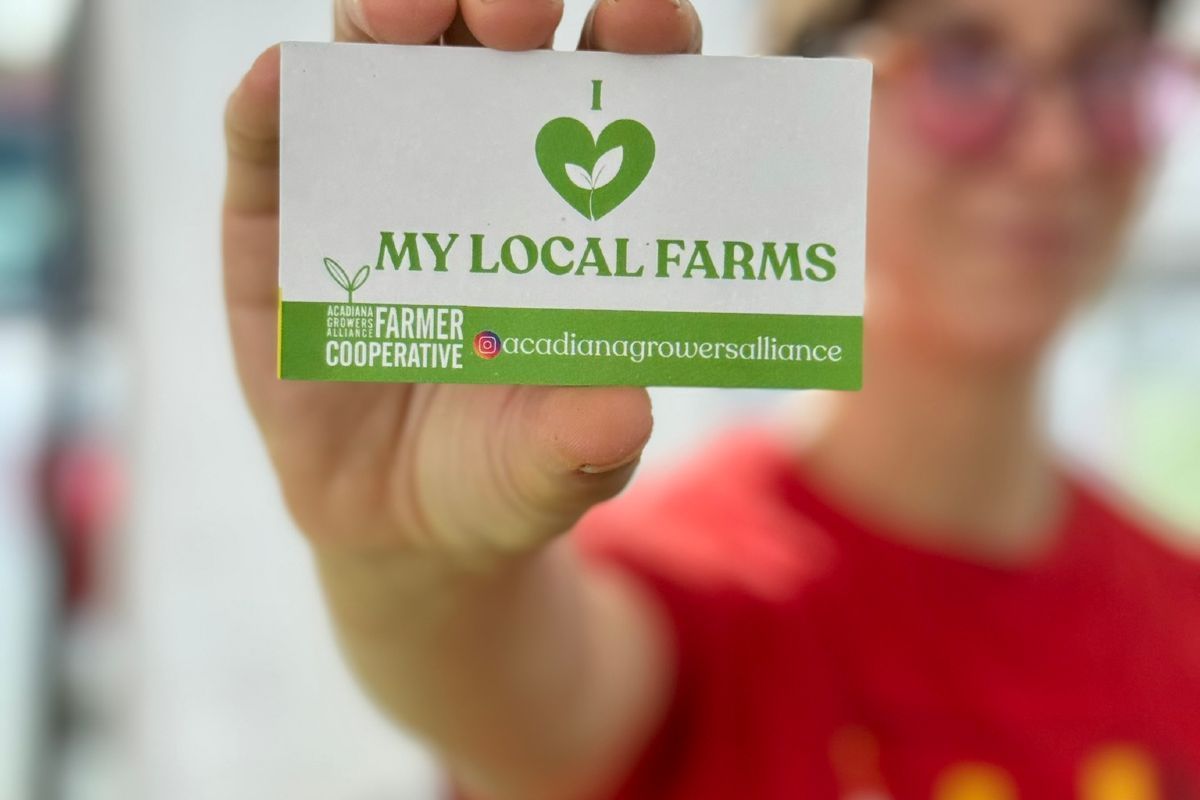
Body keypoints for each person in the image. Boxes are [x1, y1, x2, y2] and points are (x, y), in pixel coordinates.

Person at [221, 0, 1200, 797]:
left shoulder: (1184, 607)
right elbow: (524, 692)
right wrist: (407, 569)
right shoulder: (679, 590)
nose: (1057, 150)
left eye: (1107, 69)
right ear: (808, 100)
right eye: (962, 63)